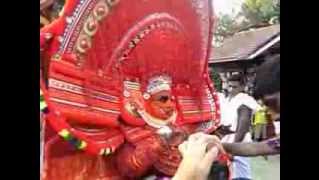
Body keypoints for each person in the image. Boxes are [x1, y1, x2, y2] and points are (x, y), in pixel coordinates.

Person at [40, 0, 224, 179]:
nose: (170, 104)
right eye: (163, 99)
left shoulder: (177, 125)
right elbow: (129, 165)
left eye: (171, 98)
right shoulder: (131, 130)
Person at [172, 55, 280, 180]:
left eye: (273, 104)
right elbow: (256, 147)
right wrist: (216, 145)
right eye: (268, 106)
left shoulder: (243, 100)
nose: (274, 116)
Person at [219, 74, 261, 180]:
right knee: (230, 172)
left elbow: (243, 124)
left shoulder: (244, 99)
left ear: (243, 87)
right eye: (230, 86)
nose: (231, 89)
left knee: (240, 173)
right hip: (228, 138)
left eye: (235, 87)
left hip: (239, 140)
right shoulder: (228, 98)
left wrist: (235, 147)